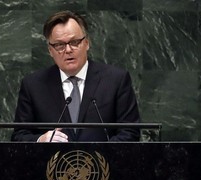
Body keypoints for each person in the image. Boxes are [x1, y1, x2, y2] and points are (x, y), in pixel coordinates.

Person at [11, 10, 140, 142]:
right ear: (50, 50)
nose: (68, 50)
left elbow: (130, 132)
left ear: (87, 43)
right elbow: (19, 136)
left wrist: (100, 152)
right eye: (59, 45)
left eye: (74, 42)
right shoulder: (33, 85)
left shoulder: (116, 80)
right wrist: (41, 140)